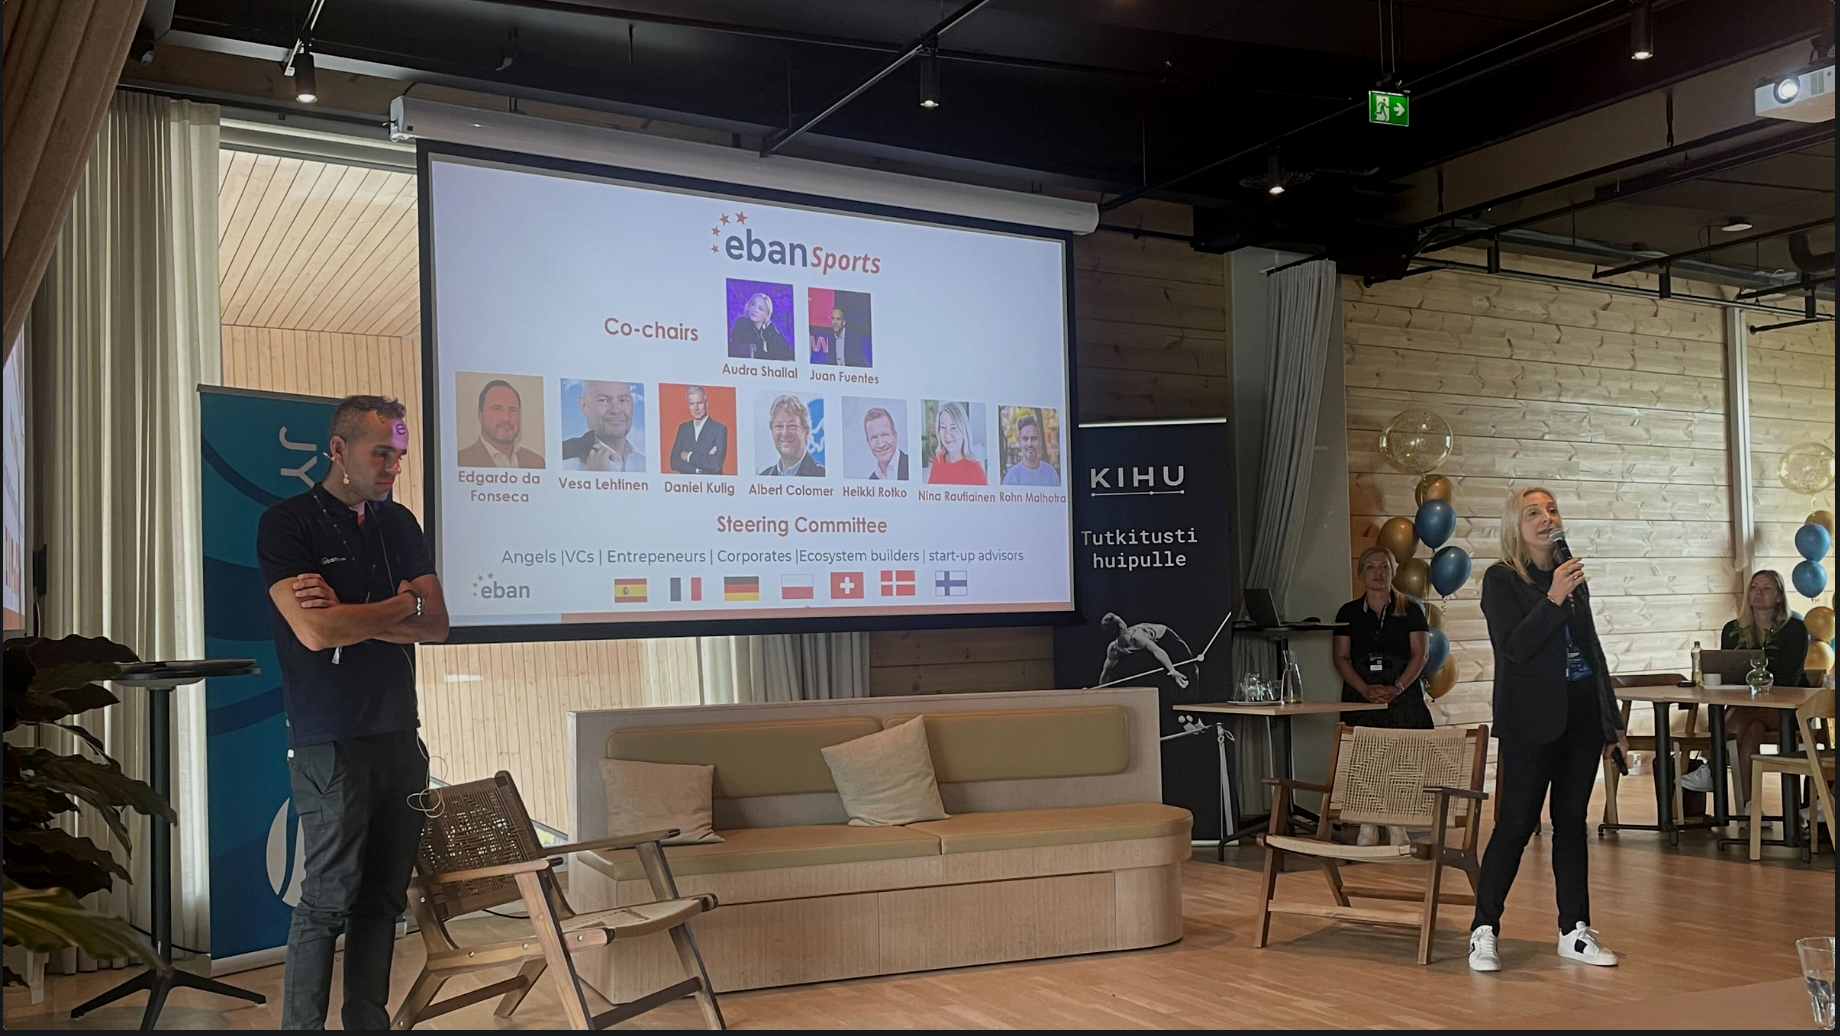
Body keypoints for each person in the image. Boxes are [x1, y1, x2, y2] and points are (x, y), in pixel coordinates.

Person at [255, 395, 450, 1029]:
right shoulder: (287, 523)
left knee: (383, 900)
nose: (394, 465)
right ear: (338, 450)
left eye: (399, 454)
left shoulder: (400, 523)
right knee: (327, 900)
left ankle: (368, 1023)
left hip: (400, 735)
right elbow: (315, 633)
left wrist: (350, 613)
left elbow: (437, 624)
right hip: (330, 739)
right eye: (381, 453)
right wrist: (399, 606)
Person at [1467, 486, 1626, 974]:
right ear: (1515, 526)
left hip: (1580, 715)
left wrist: (1611, 721)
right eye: (1532, 512)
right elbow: (1514, 648)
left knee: (1572, 823)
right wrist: (1554, 597)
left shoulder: (1569, 573)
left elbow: (1592, 649)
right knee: (1515, 824)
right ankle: (1484, 929)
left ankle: (1574, 930)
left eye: (1551, 510)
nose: (1545, 518)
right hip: (1529, 720)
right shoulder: (1502, 580)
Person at [1332, 546, 1433, 846]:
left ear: (1393, 572)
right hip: (1361, 692)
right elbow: (1340, 657)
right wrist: (1364, 689)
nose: (1378, 573)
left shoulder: (1411, 609)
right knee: (1365, 758)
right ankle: (1368, 823)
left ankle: (1397, 823)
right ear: (1361, 573)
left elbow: (1420, 654)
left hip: (1401, 693)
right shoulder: (1348, 612)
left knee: (1400, 759)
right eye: (1371, 567)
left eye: (1384, 566)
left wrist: (1397, 688)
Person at [1680, 570, 1808, 806]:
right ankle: (1750, 808)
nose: (1758, 593)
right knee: (1752, 729)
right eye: (1754, 587)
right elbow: (1728, 672)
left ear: (1779, 596)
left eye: (1766, 588)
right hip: (1746, 707)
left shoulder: (1795, 629)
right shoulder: (1732, 629)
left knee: (1744, 713)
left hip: (1787, 710)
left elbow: (1788, 678)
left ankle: (1713, 768)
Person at [455, 379, 544, 468]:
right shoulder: (460, 461)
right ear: (480, 415)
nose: (506, 418)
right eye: (497, 409)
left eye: (512, 410)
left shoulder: (537, 463)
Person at [562, 380, 645, 472]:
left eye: (623, 400)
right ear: (584, 405)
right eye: (604, 400)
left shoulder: (646, 465)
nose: (616, 410)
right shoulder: (565, 464)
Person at [1097, 612, 1192, 689]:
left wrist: (1172, 670)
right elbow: (1106, 672)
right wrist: (1101, 692)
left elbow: (1157, 651)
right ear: (1122, 625)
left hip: (1167, 637)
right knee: (1175, 680)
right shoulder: (1118, 647)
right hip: (1155, 645)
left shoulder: (1131, 640)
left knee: (1191, 669)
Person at [668, 385, 728, 475]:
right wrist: (697, 470)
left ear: (706, 404)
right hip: (687, 483)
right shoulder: (683, 429)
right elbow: (674, 462)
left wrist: (688, 456)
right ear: (688, 405)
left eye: (699, 403)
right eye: (692, 404)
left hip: (711, 483)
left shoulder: (719, 429)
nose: (696, 408)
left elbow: (715, 464)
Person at [759, 394, 824, 476]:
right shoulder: (763, 477)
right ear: (772, 432)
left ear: (806, 432)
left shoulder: (822, 475)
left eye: (792, 426)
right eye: (779, 426)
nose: (785, 433)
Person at [925, 401, 986, 485]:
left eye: (953, 427)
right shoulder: (938, 459)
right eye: (943, 427)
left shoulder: (975, 473)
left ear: (963, 430)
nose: (947, 434)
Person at [728, 292, 793, 361]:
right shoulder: (742, 323)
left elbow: (785, 351)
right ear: (749, 307)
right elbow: (759, 355)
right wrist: (781, 360)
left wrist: (769, 325)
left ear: (767, 315)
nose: (755, 310)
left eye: (760, 308)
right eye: (753, 304)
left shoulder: (767, 333)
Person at [1001, 412, 1059, 486]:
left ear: (1039, 440)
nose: (1029, 444)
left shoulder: (1051, 473)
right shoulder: (1011, 477)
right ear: (1019, 442)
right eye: (1025, 439)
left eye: (1034, 438)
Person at [862, 406, 908, 481]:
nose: (881, 445)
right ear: (868, 442)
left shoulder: (913, 466)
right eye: (874, 438)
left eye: (885, 435)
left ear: (895, 435)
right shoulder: (871, 481)